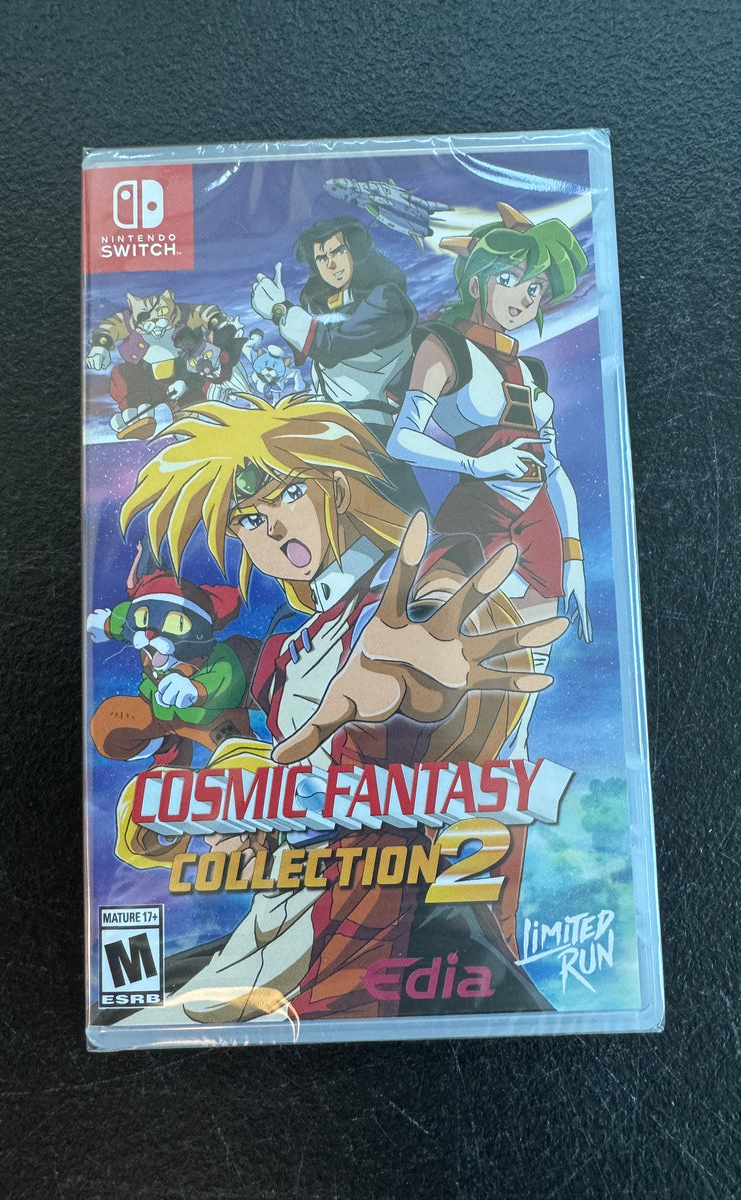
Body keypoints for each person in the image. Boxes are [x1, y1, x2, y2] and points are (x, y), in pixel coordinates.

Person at [111, 393, 566, 1025]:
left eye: (290, 495)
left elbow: (449, 655)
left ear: (339, 490)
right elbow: (282, 768)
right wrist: (229, 812)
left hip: (375, 907)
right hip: (282, 908)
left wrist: (416, 693)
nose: (272, 528)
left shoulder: (412, 592)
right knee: (116, 1004)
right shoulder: (291, 645)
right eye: (249, 518)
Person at [387, 202, 593, 760]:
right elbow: (402, 439)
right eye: (510, 279)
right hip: (476, 517)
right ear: (477, 281)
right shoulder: (444, 347)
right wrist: (478, 466)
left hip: (540, 524)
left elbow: (554, 469)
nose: (523, 298)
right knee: (450, 643)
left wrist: (574, 557)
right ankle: (438, 755)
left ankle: (512, 760)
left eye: (536, 289)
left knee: (532, 656)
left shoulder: (532, 371)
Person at [250, 217, 424, 511]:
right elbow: (313, 350)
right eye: (322, 258)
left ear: (355, 251)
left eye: (338, 251)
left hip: (373, 428)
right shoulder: (330, 305)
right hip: (334, 426)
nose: (331, 265)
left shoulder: (386, 298)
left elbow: (331, 345)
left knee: (404, 512)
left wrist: (280, 311)